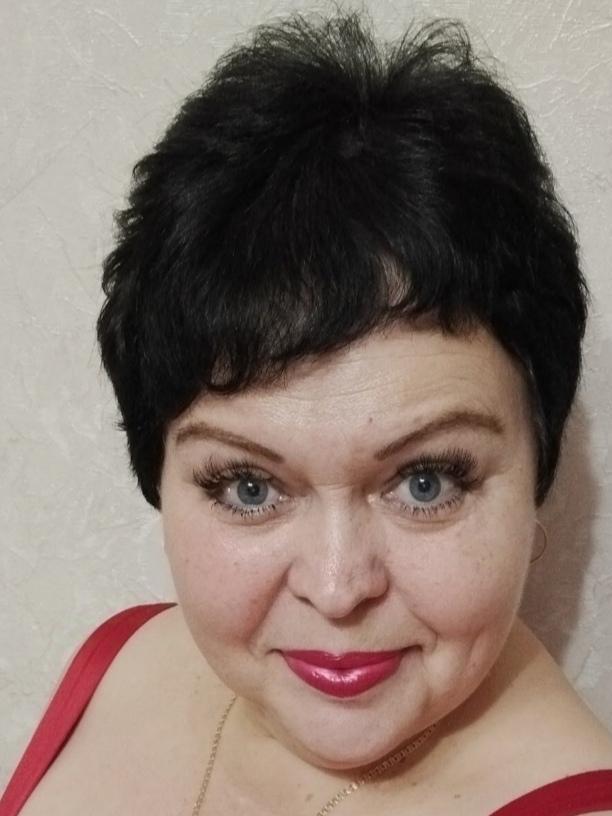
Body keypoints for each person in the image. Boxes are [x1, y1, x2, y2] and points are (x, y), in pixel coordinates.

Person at [2, 10, 612, 816]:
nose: (336, 589)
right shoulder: (122, 659)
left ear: (538, 466)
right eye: (248, 486)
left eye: (426, 482)